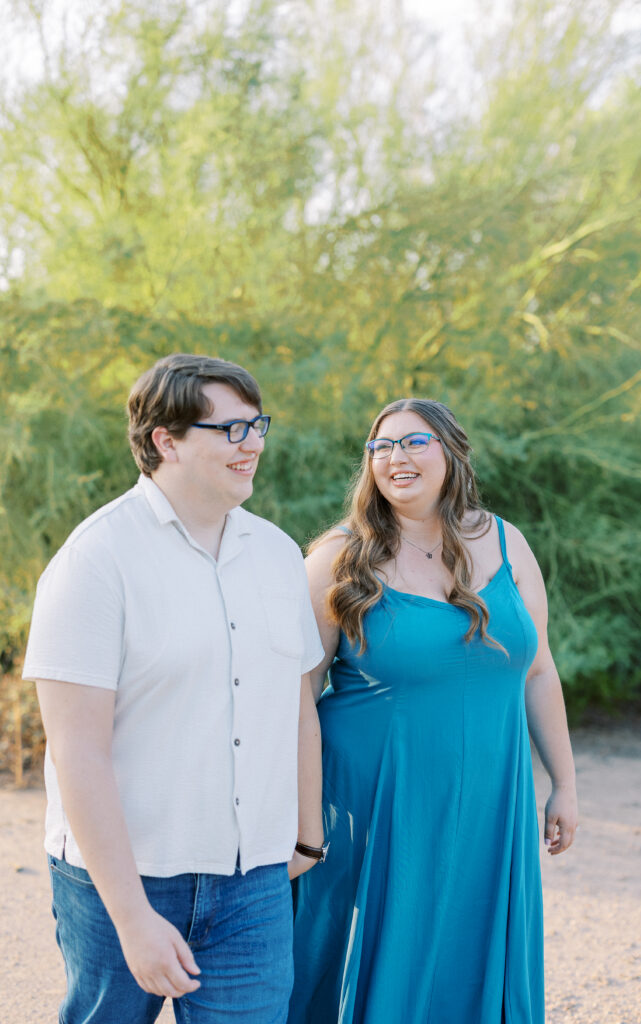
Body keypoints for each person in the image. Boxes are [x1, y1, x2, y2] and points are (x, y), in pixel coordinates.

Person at [22, 353, 326, 1024]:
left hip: (255, 884)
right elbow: (78, 752)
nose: (254, 446)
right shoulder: (94, 561)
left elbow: (296, 703)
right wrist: (132, 917)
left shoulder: (279, 556)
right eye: (232, 430)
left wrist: (305, 838)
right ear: (166, 441)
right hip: (121, 883)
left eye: (258, 426)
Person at [288, 397, 578, 1024]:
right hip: (375, 803)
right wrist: (306, 825)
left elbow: (538, 668)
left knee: (468, 949)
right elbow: (297, 698)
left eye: (414, 441)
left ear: (451, 452)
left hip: (490, 800)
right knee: (376, 960)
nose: (396, 456)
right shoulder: (339, 557)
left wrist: (565, 784)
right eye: (381, 446)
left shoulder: (506, 540)